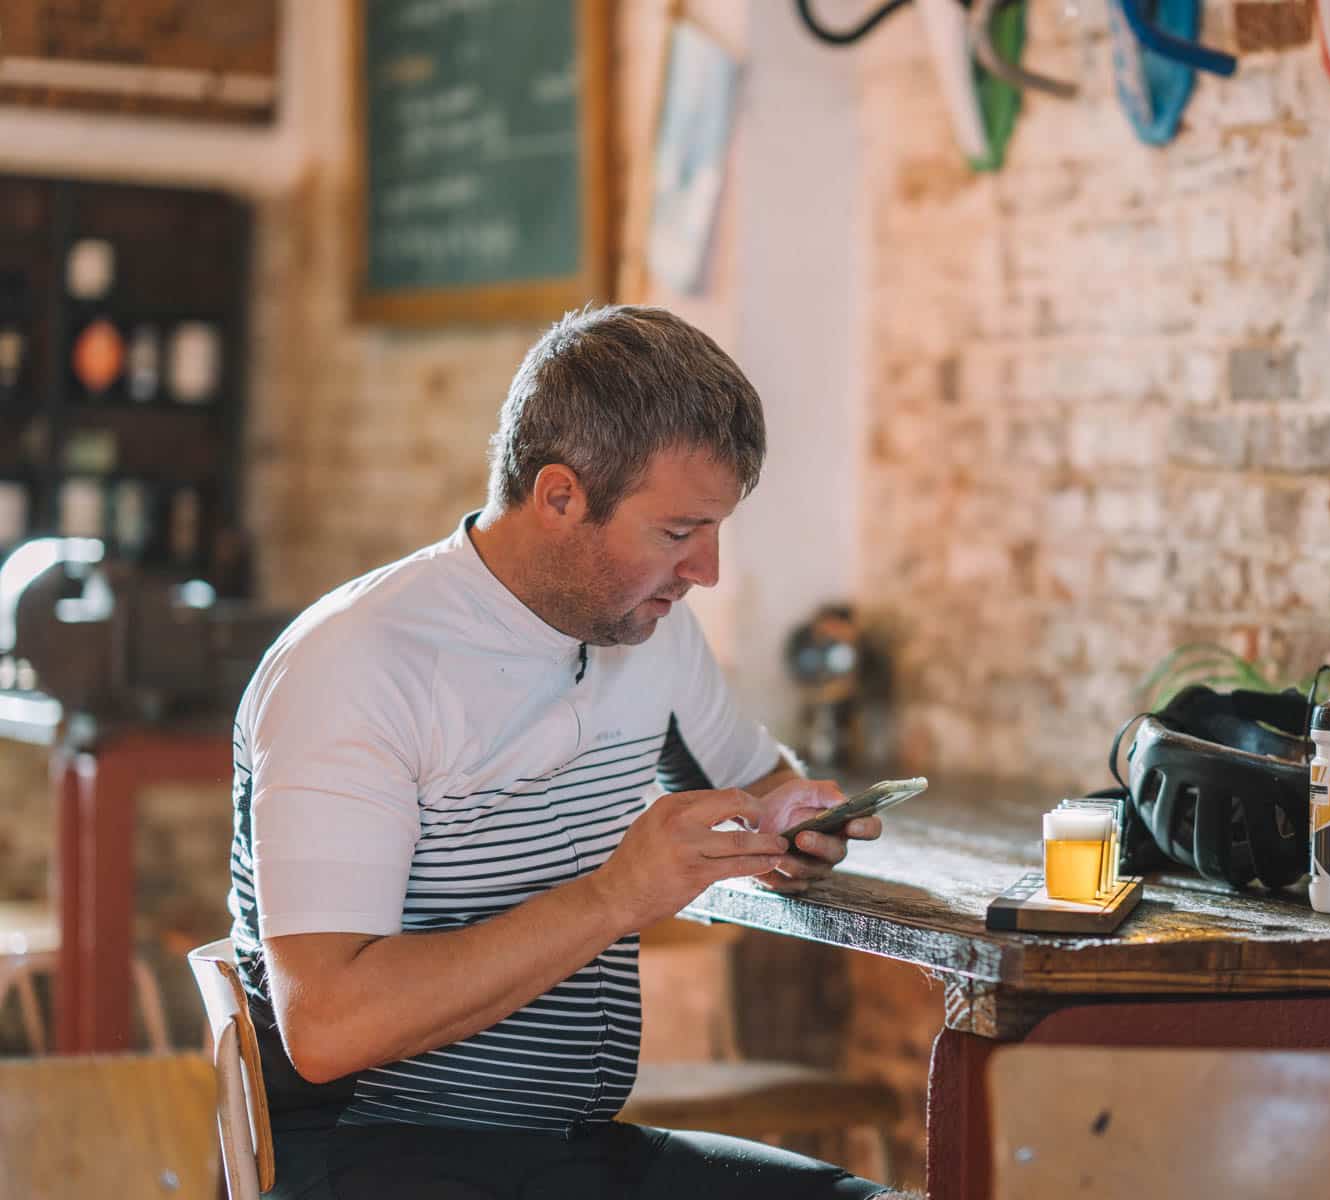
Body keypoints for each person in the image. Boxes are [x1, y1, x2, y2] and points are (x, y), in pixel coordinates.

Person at [226, 305, 905, 1198]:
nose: (706, 571)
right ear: (558, 497)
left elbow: (760, 781)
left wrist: (791, 818)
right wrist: (618, 894)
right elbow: (325, 1027)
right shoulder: (356, 662)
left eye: (715, 530)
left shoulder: (650, 629)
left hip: (568, 1151)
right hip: (371, 1158)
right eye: (677, 533)